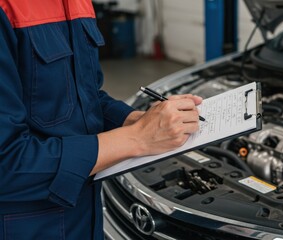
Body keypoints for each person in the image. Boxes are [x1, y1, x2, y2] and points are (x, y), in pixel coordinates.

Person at [0, 0, 202, 239]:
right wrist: (137, 138)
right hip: (27, 227)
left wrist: (136, 120)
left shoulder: (79, 3)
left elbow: (86, 96)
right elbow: (7, 163)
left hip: (86, 217)